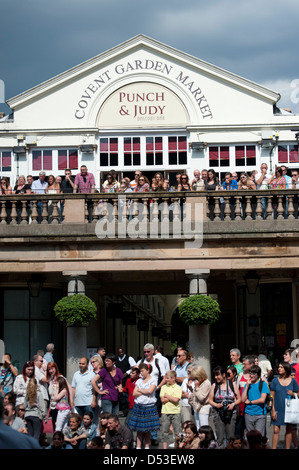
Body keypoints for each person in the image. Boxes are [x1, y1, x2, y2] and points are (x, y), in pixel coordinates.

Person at [128, 363, 160, 449]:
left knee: (147, 429)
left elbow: (150, 391)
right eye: (140, 371)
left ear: (148, 370)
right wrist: (144, 391)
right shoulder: (139, 381)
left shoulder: (153, 379)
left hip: (149, 406)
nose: (141, 373)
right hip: (139, 406)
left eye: (142, 371)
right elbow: (134, 393)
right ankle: (138, 446)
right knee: (139, 429)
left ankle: (146, 446)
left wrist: (140, 390)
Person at [208, 365, 241, 449]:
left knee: (230, 437)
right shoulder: (214, 386)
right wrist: (216, 405)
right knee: (220, 437)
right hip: (218, 414)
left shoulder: (232, 385)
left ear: (223, 375)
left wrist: (233, 404)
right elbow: (210, 400)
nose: (216, 377)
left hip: (231, 414)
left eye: (217, 375)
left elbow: (239, 399)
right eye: (215, 375)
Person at [270, 360, 299, 449]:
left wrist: (293, 394)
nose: (279, 369)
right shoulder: (275, 381)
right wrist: (273, 410)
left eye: (281, 367)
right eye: (279, 367)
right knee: (276, 430)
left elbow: (298, 394)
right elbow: (272, 397)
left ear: (286, 369)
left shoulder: (293, 381)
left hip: (289, 409)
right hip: (278, 407)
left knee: (289, 430)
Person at [241, 365, 270, 436]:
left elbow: (262, 399)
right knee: (250, 436)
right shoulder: (247, 384)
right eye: (250, 373)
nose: (251, 375)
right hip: (248, 413)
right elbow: (243, 399)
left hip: (260, 414)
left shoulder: (263, 384)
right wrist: (247, 386)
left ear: (258, 375)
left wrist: (250, 402)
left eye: (254, 374)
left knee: (259, 436)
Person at [160, 370, 182, 449]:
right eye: (166, 378)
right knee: (164, 432)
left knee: (177, 432)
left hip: (175, 412)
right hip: (165, 412)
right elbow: (162, 400)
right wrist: (172, 397)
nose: (166, 380)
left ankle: (178, 447)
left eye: (168, 378)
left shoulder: (178, 388)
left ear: (173, 378)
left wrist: (167, 396)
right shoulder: (163, 387)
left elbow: (176, 400)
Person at [189, 365, 211, 430]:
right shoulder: (198, 383)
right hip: (196, 407)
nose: (195, 379)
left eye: (196, 377)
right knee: (198, 428)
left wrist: (197, 387)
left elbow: (201, 398)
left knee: (204, 427)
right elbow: (195, 395)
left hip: (203, 408)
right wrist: (191, 389)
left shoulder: (206, 383)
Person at [116, 347, 137, 417]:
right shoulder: (116, 360)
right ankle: (125, 412)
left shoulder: (129, 358)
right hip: (121, 380)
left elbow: (134, 367)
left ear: (124, 352)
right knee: (122, 396)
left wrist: (127, 373)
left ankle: (131, 411)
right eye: (119, 353)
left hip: (128, 379)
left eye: (121, 352)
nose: (120, 354)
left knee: (129, 395)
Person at [90, 355, 104, 425]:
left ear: (99, 362)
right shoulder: (91, 372)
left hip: (101, 394)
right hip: (92, 394)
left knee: (101, 412)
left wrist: (99, 385)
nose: (92, 364)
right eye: (91, 362)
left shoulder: (103, 371)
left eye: (94, 362)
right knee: (95, 414)